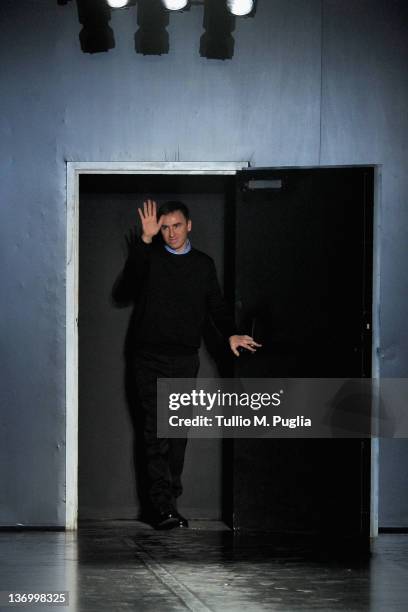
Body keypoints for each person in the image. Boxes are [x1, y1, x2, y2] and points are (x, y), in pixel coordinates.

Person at [113, 199, 261, 530]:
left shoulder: (202, 265)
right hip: (147, 357)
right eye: (164, 228)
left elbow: (217, 308)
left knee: (177, 433)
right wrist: (145, 241)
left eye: (176, 226)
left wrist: (232, 334)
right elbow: (123, 291)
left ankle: (168, 501)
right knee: (155, 432)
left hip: (183, 359)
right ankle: (163, 508)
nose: (171, 233)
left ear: (189, 225)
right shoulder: (149, 256)